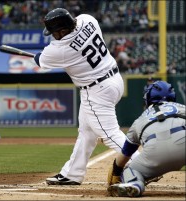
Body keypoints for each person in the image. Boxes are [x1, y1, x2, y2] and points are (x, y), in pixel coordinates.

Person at [33, 8, 139, 185]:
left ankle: (144, 165)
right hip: (114, 79)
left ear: (63, 30)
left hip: (97, 90)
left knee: (110, 134)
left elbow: (41, 61)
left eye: (54, 33)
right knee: (86, 132)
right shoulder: (88, 20)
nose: (53, 36)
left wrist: (38, 57)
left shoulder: (59, 50)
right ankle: (72, 173)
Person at [107, 80, 185, 197]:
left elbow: (125, 154)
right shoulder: (182, 107)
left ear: (148, 98)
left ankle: (135, 184)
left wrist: (117, 170)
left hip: (155, 152)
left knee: (130, 170)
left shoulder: (139, 120)